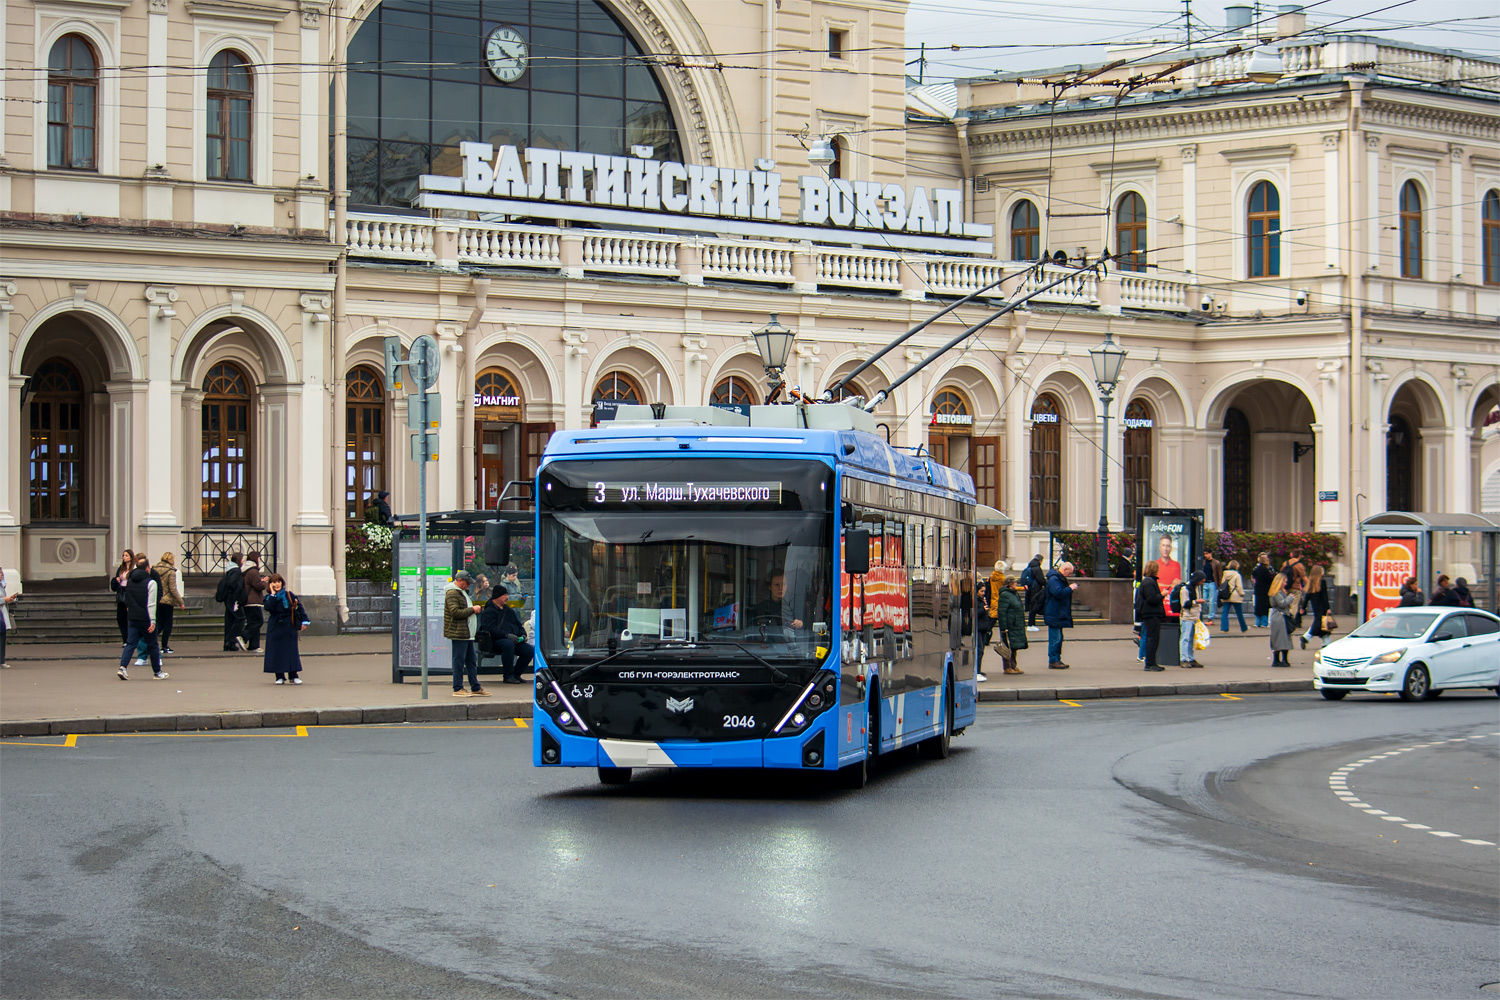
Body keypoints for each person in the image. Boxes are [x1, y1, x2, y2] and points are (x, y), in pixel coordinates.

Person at [117, 562, 167, 680]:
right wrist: (153, 621)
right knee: (153, 645)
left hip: (133, 617)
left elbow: (127, 600)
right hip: (146, 618)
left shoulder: (130, 582)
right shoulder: (151, 583)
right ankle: (157, 672)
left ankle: (123, 667)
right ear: (147, 569)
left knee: (130, 643)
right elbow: (151, 603)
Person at [444, 570, 488, 698]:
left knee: (471, 660)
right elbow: (455, 612)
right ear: (460, 581)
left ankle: (475, 687)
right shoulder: (452, 593)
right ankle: (457, 688)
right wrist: (472, 610)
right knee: (459, 660)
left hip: (467, 633)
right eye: (467, 583)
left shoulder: (461, 592)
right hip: (459, 632)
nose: (468, 585)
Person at [478, 585, 533, 685]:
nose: (507, 597)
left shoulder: (509, 611)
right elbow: (490, 629)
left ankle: (516, 675)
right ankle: (508, 675)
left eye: (507, 594)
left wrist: (523, 635)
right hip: (495, 641)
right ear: (497, 597)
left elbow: (518, 624)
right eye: (504, 595)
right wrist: (507, 635)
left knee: (529, 650)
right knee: (508, 645)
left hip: (514, 640)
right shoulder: (489, 611)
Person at [262, 573, 310, 684]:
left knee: (291, 651)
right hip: (275, 627)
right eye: (274, 582)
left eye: (278, 582)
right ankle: (279, 676)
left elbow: (299, 608)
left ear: (282, 583)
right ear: (270, 585)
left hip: (289, 627)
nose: (277, 584)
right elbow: (270, 608)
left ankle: (293, 675)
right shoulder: (268, 598)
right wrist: (273, 595)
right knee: (277, 652)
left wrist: (304, 621)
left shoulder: (289, 595)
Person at [1043, 561, 1077, 669]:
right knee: (1055, 638)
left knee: (1059, 638)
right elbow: (1058, 592)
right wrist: (1070, 588)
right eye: (1070, 572)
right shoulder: (1054, 579)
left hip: (1058, 612)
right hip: (1054, 613)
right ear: (1065, 570)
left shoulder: (1057, 578)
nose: (1070, 575)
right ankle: (1053, 660)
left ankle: (1057, 659)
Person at [152, 552, 186, 655]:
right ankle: (164, 646)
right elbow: (173, 589)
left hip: (157, 599)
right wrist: (181, 602)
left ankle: (151, 641)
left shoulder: (154, 569)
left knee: (159, 622)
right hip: (167, 601)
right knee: (167, 624)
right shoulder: (171, 571)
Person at [1136, 559, 1166, 672]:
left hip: (1150, 613)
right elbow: (1152, 599)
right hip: (1151, 613)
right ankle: (1150, 663)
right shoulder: (1149, 582)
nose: (1158, 570)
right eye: (1157, 568)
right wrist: (1162, 595)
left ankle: (1151, 662)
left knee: (1152, 638)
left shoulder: (1147, 581)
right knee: (1153, 638)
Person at [993, 575, 1027, 674]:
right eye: (1015, 582)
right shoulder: (1005, 595)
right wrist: (1004, 627)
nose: (1016, 584)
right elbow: (1002, 612)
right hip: (1010, 625)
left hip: (1016, 624)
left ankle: (1013, 665)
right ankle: (1007, 667)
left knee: (1014, 646)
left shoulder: (1014, 594)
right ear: (1010, 584)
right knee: (1007, 646)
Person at [216, 551, 248, 651]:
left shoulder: (230, 570)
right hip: (233, 599)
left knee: (230, 619)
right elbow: (232, 583)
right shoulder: (236, 571)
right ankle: (231, 639)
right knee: (240, 618)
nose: (243, 561)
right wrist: (237, 594)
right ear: (239, 560)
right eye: (242, 559)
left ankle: (228, 643)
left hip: (228, 598)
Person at [1268, 574, 1300, 666]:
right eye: (1284, 581)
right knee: (1280, 639)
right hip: (1279, 617)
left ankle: (1283, 660)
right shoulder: (1276, 592)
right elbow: (1282, 604)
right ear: (1280, 582)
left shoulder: (1281, 591)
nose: (1286, 583)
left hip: (1282, 616)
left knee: (1284, 638)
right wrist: (1290, 597)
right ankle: (1278, 660)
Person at [1175, 570, 1205, 668]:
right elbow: (1185, 604)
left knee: (1191, 639)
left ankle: (1191, 658)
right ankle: (1183, 659)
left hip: (1194, 617)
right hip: (1187, 617)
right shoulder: (1185, 589)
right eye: (1201, 581)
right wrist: (1196, 601)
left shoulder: (1196, 588)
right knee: (1185, 638)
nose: (1202, 583)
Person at [241, 550, 267, 652]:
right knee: (258, 621)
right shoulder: (253, 571)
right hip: (253, 600)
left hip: (248, 600)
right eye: (259, 558)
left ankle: (254, 645)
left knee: (252, 622)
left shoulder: (246, 570)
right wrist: (264, 582)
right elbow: (258, 586)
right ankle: (243, 636)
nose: (260, 560)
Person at [1301, 564, 1330, 650]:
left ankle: (1326, 643)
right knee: (1320, 625)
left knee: (1322, 625)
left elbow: (1307, 596)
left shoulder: (1311, 582)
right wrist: (1328, 608)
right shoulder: (1322, 582)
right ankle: (1306, 637)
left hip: (1315, 607)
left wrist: (1303, 607)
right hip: (1322, 607)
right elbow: (1325, 596)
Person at [110, 549, 135, 644]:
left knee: (130, 617)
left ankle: (131, 638)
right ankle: (125, 638)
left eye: (126, 555)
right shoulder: (121, 568)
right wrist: (116, 580)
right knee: (121, 617)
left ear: (131, 557)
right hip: (121, 594)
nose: (124, 557)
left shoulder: (134, 568)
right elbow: (115, 584)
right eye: (123, 555)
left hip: (130, 593)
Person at [973, 573, 993, 682]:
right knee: (979, 650)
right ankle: (977, 671)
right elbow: (975, 613)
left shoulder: (982, 600)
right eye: (981, 591)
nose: (983, 593)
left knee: (982, 650)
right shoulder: (976, 601)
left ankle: (979, 670)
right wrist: (983, 610)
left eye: (984, 591)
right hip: (979, 628)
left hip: (983, 627)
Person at [1219, 559, 1248, 633]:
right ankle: (1243, 627)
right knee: (1239, 613)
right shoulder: (1237, 575)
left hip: (1227, 595)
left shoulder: (1225, 574)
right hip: (1235, 596)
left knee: (1225, 613)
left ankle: (1224, 628)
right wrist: (1242, 594)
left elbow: (1222, 584)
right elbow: (1239, 586)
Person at [1021, 555, 1044, 631]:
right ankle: (1031, 624)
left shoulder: (1029, 566)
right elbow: (1041, 579)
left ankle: (1031, 624)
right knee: (1034, 606)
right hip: (1035, 589)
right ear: (1040, 561)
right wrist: (1045, 584)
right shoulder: (1037, 568)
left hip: (1030, 589)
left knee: (1031, 606)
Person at [0, 564, 17, 669]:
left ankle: (2, 660)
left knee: (2, 638)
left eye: (1, 573)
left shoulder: (2, 586)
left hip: (2, 614)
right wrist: (4, 600)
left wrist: (10, 599)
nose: (1, 575)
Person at [1251, 552, 1274, 628]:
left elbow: (1253, 578)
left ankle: (1257, 622)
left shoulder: (1256, 569)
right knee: (1265, 607)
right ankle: (1264, 622)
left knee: (1258, 606)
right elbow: (1270, 580)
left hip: (1257, 589)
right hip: (1265, 590)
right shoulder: (1265, 570)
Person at [1201, 553, 1221, 620]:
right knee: (1204, 600)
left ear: (1210, 554)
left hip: (1212, 582)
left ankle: (1211, 616)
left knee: (1212, 601)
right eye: (1204, 554)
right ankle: (1210, 612)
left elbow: (1219, 574)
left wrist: (1219, 584)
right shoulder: (1203, 562)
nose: (1205, 555)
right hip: (1205, 583)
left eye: (1206, 554)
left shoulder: (1216, 563)